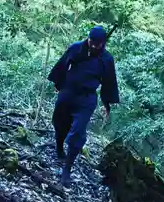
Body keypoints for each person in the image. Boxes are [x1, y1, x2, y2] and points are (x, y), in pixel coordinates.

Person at [48, 26, 119, 186]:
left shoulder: (107, 59)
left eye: (98, 44)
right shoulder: (76, 48)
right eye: (92, 42)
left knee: (78, 131)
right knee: (59, 122)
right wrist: (58, 83)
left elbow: (109, 81)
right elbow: (63, 64)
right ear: (88, 38)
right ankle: (59, 147)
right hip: (68, 91)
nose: (94, 46)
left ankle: (67, 170)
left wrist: (106, 104)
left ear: (103, 43)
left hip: (87, 98)